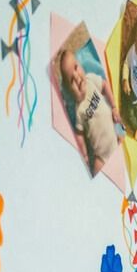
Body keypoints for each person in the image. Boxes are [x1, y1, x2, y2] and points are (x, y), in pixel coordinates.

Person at [58, 44, 121, 176]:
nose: (77, 77)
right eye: (71, 80)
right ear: (69, 91)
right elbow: (79, 134)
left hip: (115, 136)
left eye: (76, 68)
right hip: (101, 156)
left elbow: (104, 85)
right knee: (96, 170)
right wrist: (85, 155)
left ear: (81, 65)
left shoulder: (91, 80)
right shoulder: (78, 110)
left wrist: (114, 106)